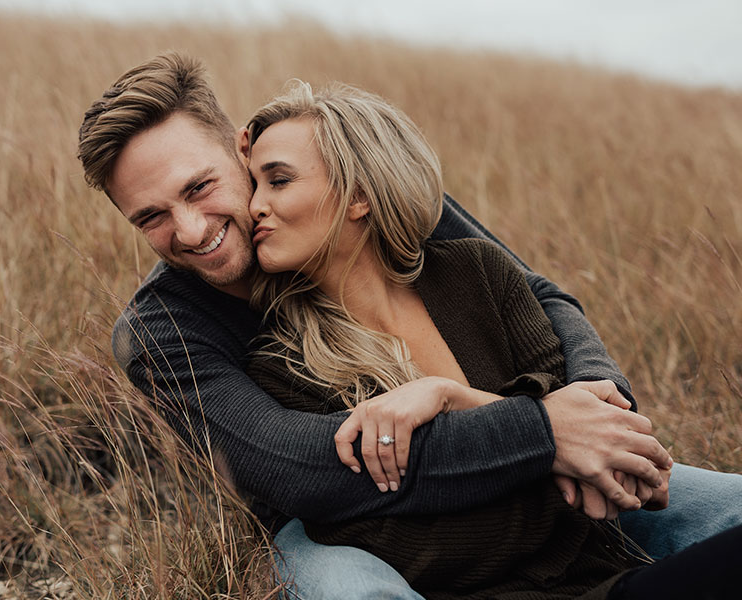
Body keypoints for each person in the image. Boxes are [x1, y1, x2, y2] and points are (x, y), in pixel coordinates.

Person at [76, 52, 742, 598]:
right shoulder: (162, 329)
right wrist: (540, 432)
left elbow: (540, 297)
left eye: (199, 188)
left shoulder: (348, 194)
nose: (190, 231)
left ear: (241, 149)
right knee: (346, 586)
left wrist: (598, 410)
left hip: (518, 467)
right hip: (339, 521)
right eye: (150, 217)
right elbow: (299, 470)